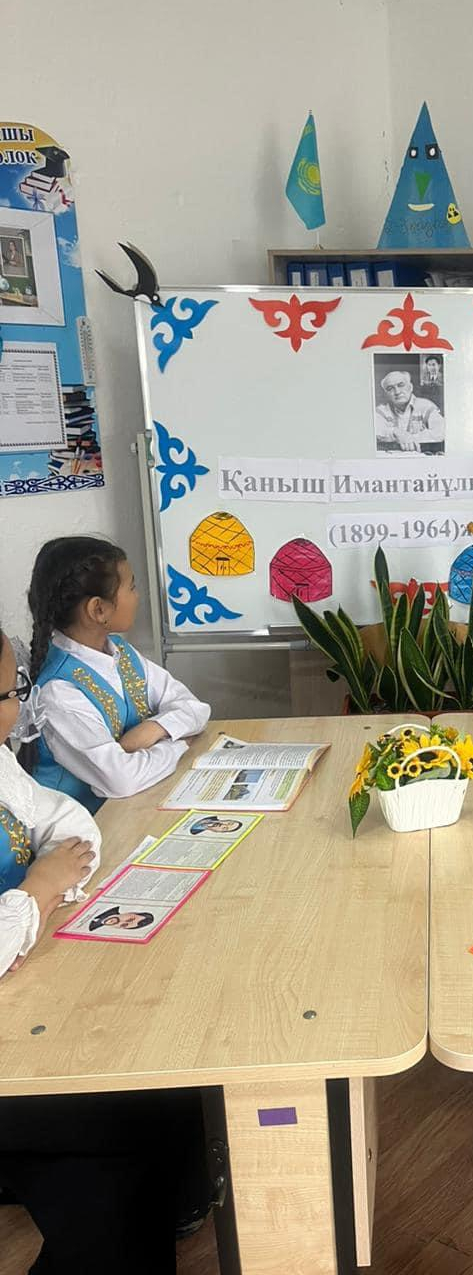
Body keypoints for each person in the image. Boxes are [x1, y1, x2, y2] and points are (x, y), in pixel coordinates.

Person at [0, 620, 205, 1270]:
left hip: (25, 988)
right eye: (9, 695)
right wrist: (38, 889)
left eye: (16, 689)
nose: (18, 710)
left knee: (168, 1065)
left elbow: (62, 822)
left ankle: (177, 1204)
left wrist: (47, 886)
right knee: (133, 1107)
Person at [25, 537, 210, 813]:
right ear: (98, 609)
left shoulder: (120, 651)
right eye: (131, 587)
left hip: (136, 804)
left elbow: (195, 708)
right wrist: (179, 743)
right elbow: (122, 779)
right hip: (87, 826)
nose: (137, 596)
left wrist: (154, 729)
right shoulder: (58, 691)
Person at [374, 369, 445, 454]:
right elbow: (374, 431)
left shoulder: (426, 406)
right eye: (390, 389)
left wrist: (410, 438)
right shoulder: (381, 411)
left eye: (401, 385)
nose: (397, 392)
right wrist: (396, 432)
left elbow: (441, 431)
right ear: (386, 394)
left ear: (410, 387)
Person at [88, 906, 154, 931]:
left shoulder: (93, 927)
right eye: (130, 919)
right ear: (130, 913)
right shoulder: (111, 906)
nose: (120, 922)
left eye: (124, 925)